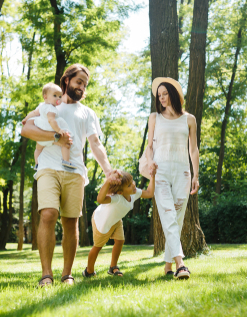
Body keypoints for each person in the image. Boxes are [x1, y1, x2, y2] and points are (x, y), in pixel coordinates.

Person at [21, 64, 119, 287]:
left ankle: (67, 275)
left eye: (85, 84)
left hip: (75, 171)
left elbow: (95, 144)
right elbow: (25, 129)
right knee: (47, 214)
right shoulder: (48, 105)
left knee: (70, 222)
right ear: (67, 81)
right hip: (48, 167)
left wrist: (108, 172)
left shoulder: (87, 113)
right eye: (78, 82)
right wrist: (56, 137)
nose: (82, 87)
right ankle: (47, 275)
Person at [146, 77, 200, 280]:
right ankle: (180, 264)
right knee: (168, 214)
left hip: (183, 172)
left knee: (176, 218)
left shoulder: (189, 119)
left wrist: (196, 174)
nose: (161, 98)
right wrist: (150, 161)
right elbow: (149, 146)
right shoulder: (154, 118)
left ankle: (167, 264)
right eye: (159, 95)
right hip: (160, 172)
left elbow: (193, 149)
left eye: (164, 94)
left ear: (173, 94)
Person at [83, 168, 156, 278]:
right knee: (98, 247)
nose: (133, 185)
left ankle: (113, 267)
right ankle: (89, 271)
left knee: (120, 241)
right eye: (129, 185)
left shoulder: (134, 193)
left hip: (116, 220)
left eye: (132, 182)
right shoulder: (117, 198)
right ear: (121, 192)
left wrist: (152, 176)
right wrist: (108, 181)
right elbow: (100, 199)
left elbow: (150, 193)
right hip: (102, 222)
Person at [23, 82, 76, 170]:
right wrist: (59, 130)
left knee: (38, 149)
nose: (58, 98)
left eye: (60, 96)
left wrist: (26, 118)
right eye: (55, 95)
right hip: (50, 132)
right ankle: (66, 161)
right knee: (65, 144)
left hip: (41, 136)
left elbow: (34, 113)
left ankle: (37, 163)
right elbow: (51, 120)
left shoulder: (42, 107)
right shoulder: (51, 109)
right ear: (45, 96)